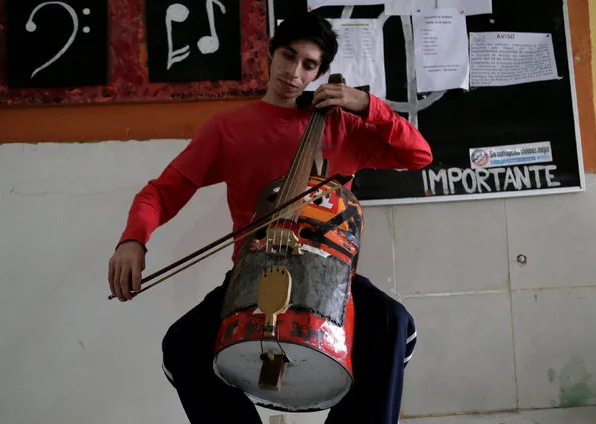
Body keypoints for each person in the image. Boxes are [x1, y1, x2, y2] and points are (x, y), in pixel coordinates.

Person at [108, 12, 432, 424]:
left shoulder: (344, 126)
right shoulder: (230, 129)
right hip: (254, 268)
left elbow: (418, 154)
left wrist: (369, 105)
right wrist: (133, 240)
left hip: (331, 275)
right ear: (271, 54)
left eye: (309, 65)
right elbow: (161, 191)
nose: (294, 72)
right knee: (181, 348)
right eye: (288, 55)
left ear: (321, 72)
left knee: (395, 326)